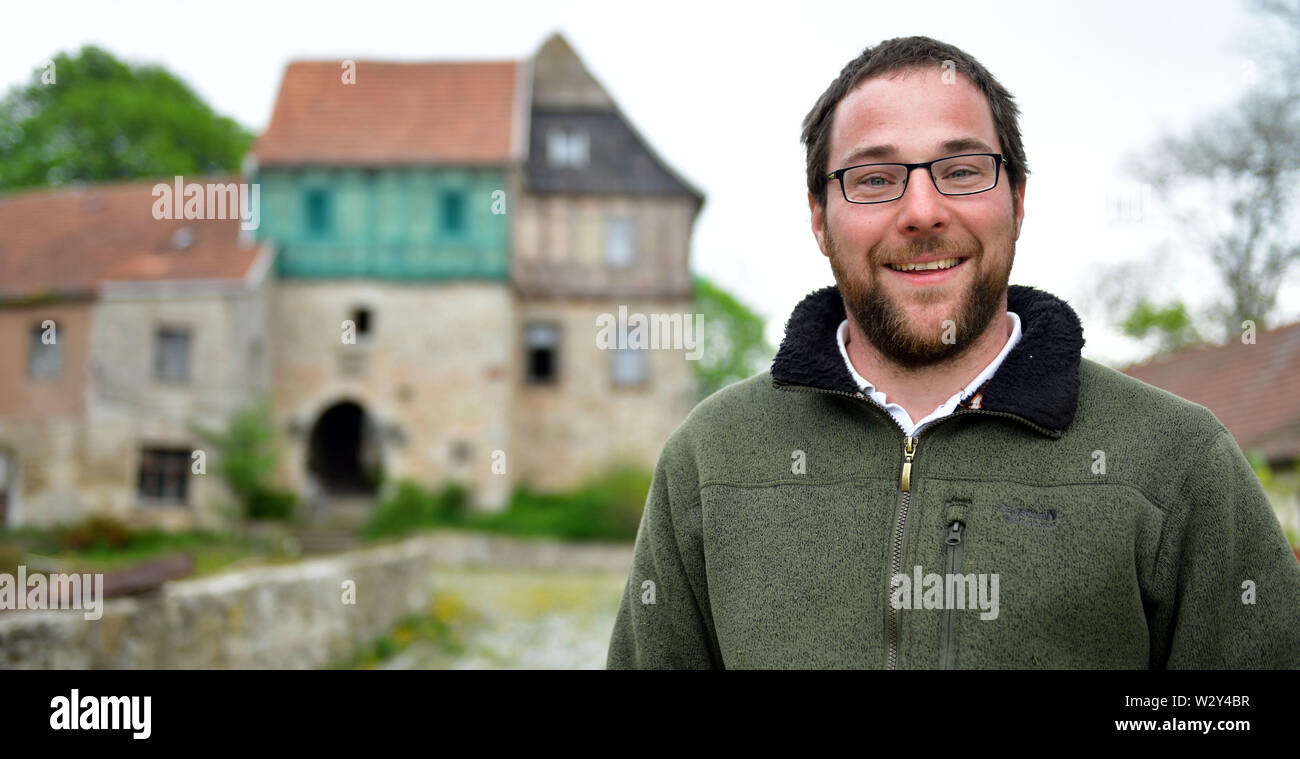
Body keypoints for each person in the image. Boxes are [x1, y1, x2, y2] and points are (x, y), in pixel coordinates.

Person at [606, 35, 1300, 669]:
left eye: (962, 170)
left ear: (1018, 200)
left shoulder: (1177, 462)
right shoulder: (711, 460)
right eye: (874, 179)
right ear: (819, 218)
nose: (922, 210)